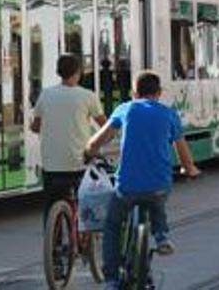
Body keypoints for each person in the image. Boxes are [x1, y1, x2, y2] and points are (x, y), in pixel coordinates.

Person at [85, 71, 200, 289]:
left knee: (112, 225)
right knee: (157, 200)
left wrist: (88, 151)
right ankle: (161, 235)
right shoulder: (169, 114)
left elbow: (100, 138)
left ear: (134, 93)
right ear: (159, 93)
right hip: (159, 185)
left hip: (126, 187)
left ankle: (111, 280)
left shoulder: (125, 109)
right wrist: (190, 169)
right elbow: (182, 150)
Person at [29, 54, 105, 218]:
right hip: (79, 163)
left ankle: (52, 237)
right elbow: (105, 126)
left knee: (50, 205)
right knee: (85, 203)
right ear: (78, 72)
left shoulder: (45, 94)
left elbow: (35, 127)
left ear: (58, 72)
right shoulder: (88, 96)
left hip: (51, 165)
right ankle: (83, 237)